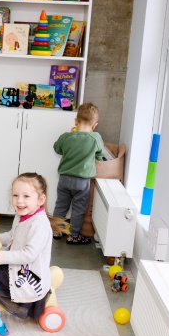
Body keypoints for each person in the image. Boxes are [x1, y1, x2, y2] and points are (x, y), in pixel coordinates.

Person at [0, 173, 59, 336]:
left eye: (26, 196)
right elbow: (12, 236)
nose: (19, 201)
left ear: (40, 200)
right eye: (15, 195)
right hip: (14, 267)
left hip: (26, 278)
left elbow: (29, 254)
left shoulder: (39, 224)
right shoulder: (22, 215)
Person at [52, 102, 105, 244]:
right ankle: (74, 235)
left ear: (76, 121)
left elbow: (57, 148)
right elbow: (100, 154)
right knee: (78, 209)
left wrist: (72, 135)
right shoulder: (95, 138)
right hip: (82, 182)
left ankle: (56, 231)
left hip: (64, 179)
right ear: (94, 125)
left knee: (61, 206)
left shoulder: (66, 137)